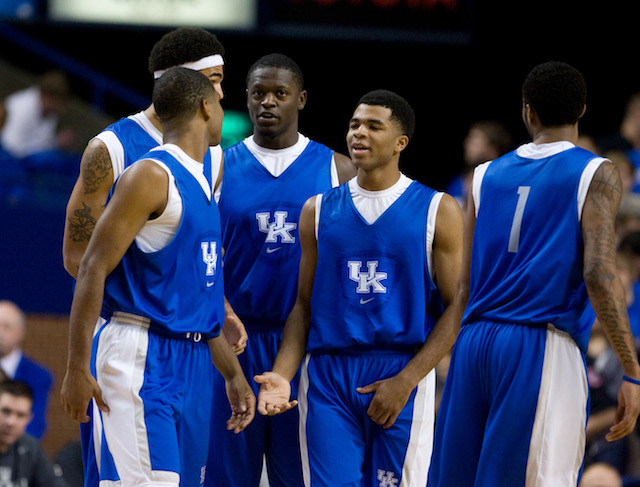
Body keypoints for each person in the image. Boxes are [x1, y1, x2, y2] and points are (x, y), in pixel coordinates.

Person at [428, 61, 640, 486]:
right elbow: (599, 275)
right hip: (538, 344)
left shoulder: (483, 176)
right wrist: (631, 369)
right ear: (582, 109)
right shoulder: (596, 172)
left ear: (527, 111)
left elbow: (463, 285)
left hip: (473, 343)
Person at [254, 89, 464, 486]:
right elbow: (303, 305)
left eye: (373, 126)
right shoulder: (316, 210)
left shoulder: (439, 208)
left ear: (401, 142)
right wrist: (282, 374)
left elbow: (456, 308)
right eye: (353, 125)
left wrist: (407, 380)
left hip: (400, 369)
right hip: (328, 376)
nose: (358, 134)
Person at [60, 67, 255, 487]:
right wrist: (77, 366)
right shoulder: (151, 175)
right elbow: (91, 266)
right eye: (219, 103)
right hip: (140, 352)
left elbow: (200, 303)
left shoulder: (201, 183)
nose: (222, 111)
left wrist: (233, 375)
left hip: (191, 358)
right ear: (206, 106)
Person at [206, 53, 355, 487]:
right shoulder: (215, 166)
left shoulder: (337, 169)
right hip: (233, 339)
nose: (267, 103)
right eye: (258, 94)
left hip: (306, 345)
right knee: (226, 476)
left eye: (279, 94)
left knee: (299, 475)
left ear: (301, 100)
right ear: (246, 100)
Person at [0, 380, 68, 487]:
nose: (11, 422)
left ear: (28, 418)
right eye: (6, 411)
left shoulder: (29, 448)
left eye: (20, 415)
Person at [0, 300, 52, 440]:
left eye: (6, 327)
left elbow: (35, 426)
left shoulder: (39, 376)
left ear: (20, 333)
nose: (0, 333)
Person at [0, 70, 75, 160]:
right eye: (60, 103)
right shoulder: (22, 107)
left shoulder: (51, 113)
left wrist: (57, 142)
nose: (62, 107)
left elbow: (44, 145)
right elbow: (10, 147)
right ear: (49, 98)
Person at [445, 120, 513, 207]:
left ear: (492, 150)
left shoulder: (503, 185)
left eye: (475, 142)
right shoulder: (457, 183)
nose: (466, 144)